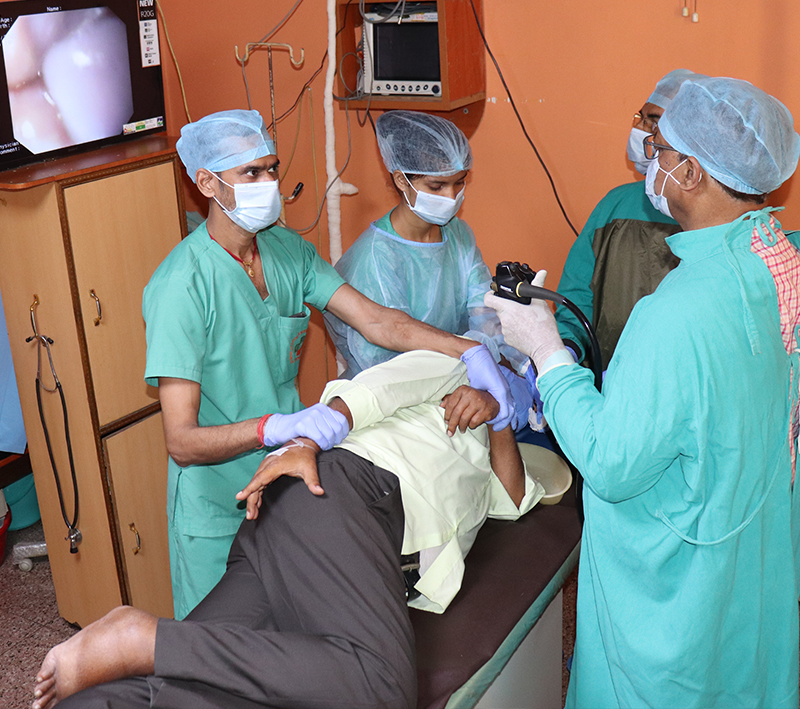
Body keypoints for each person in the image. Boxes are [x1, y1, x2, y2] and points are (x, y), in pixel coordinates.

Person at [486, 76, 800, 708]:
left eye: (660, 149)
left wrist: (546, 350)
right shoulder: (783, 262)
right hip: (746, 540)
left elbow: (611, 463)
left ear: (690, 173)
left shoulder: (675, 313)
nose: (650, 159)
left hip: (678, 578)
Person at [142, 110, 516, 618]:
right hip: (216, 501)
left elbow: (378, 321)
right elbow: (181, 442)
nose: (268, 183)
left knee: (289, 630)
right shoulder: (180, 287)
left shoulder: (286, 252)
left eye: (271, 169)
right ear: (207, 183)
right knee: (220, 639)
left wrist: (466, 350)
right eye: (250, 173)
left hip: (290, 475)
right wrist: (274, 426)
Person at [31, 351, 545, 709]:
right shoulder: (450, 364)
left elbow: (515, 496)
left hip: (300, 537)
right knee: (381, 689)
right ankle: (144, 639)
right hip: (338, 492)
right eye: (506, 369)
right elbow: (370, 392)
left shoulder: (489, 454)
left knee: (188, 694)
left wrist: (499, 416)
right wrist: (306, 442)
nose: (511, 382)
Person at [325, 110, 538, 431]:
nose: (451, 197)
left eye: (459, 182)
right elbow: (389, 368)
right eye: (437, 186)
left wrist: (523, 366)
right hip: (396, 409)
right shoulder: (374, 260)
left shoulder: (458, 235)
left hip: (461, 386)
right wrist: (472, 368)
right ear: (401, 180)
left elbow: (486, 318)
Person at [554, 69, 704, 366]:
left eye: (655, 123)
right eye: (642, 118)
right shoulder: (616, 206)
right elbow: (575, 300)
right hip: (607, 381)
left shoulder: (714, 221)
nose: (643, 131)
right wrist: (566, 350)